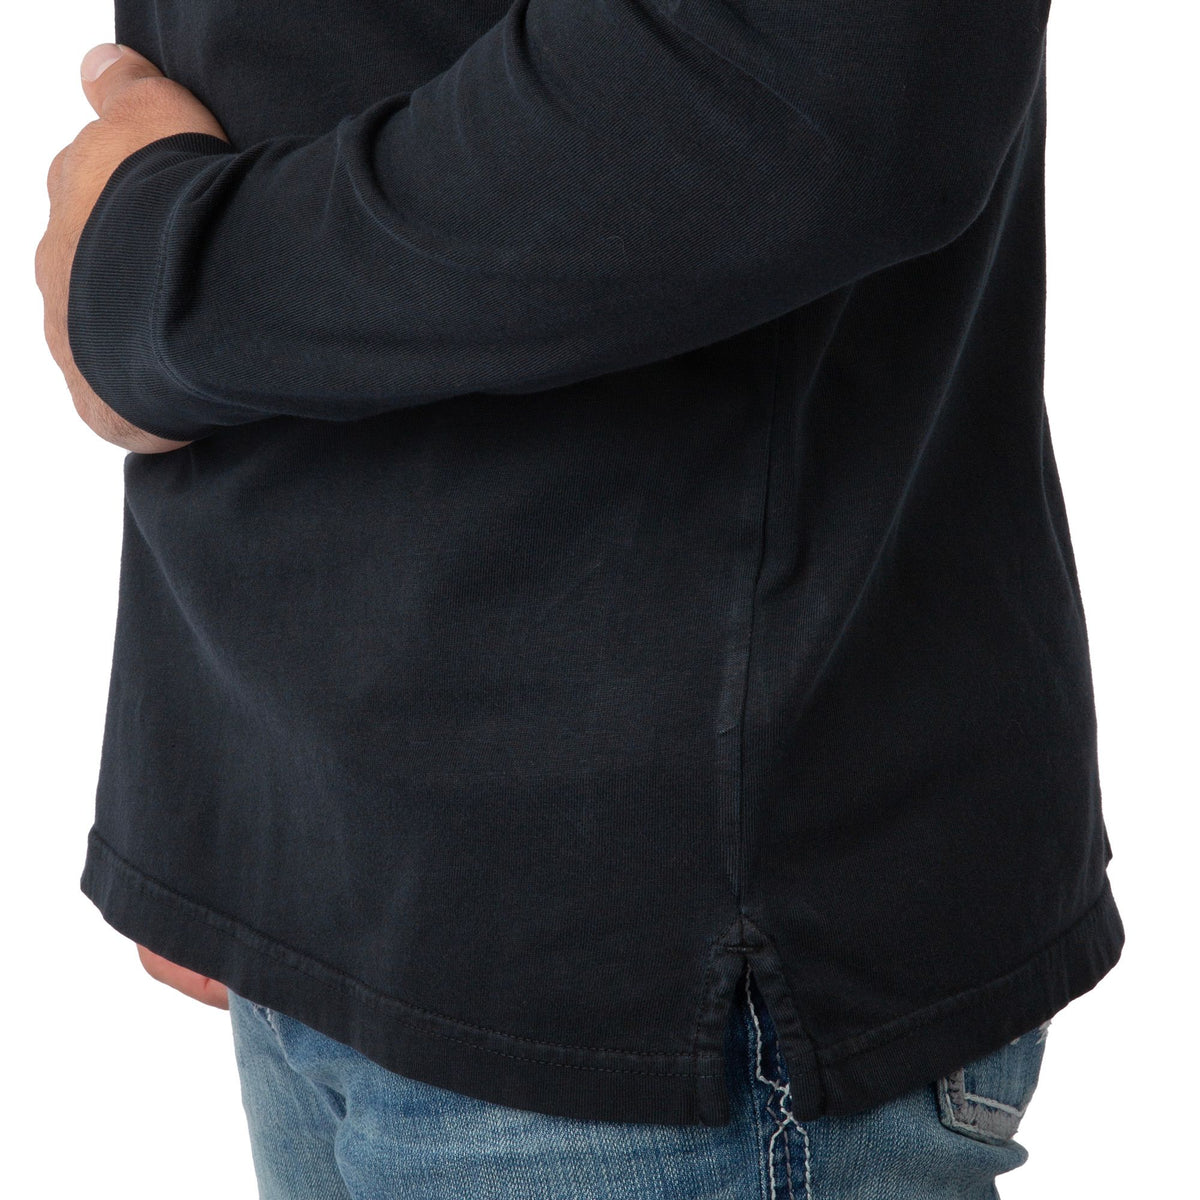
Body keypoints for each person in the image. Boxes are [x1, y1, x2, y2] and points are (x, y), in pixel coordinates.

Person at [37, 2, 1123, 1196]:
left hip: (659, 954)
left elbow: (809, 81)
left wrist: (168, 282)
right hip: (346, 854)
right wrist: (235, 803)